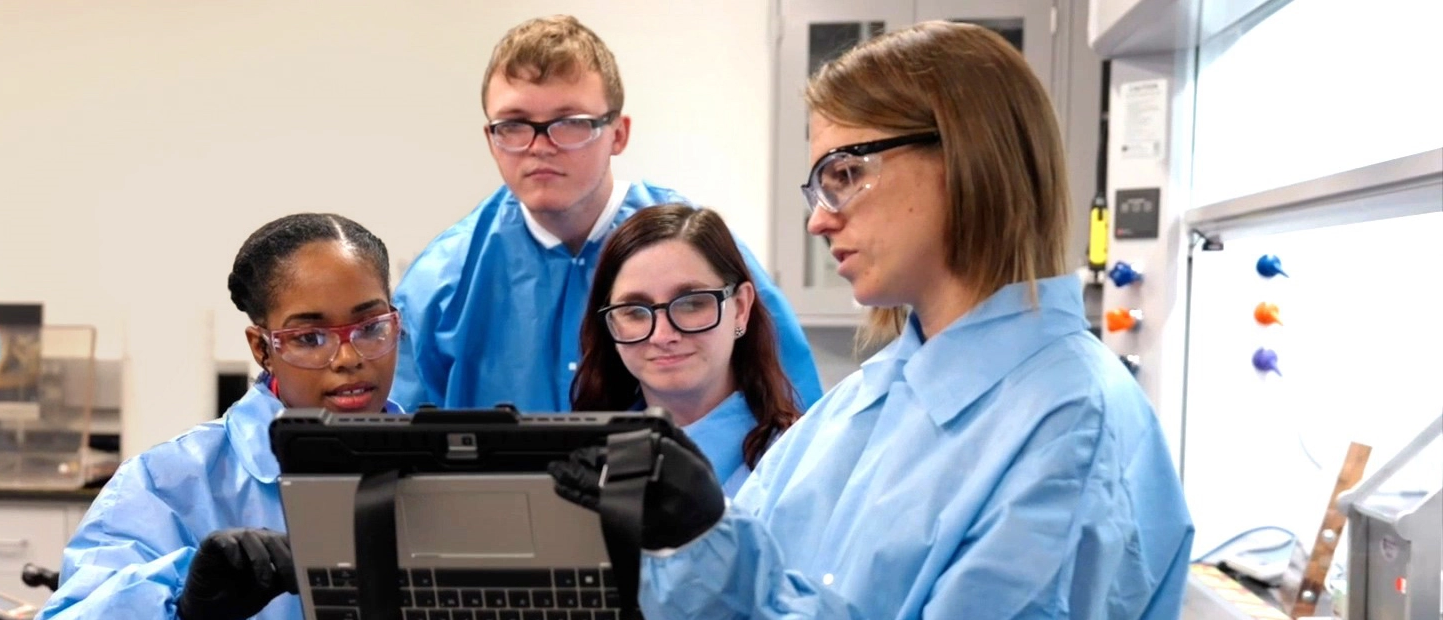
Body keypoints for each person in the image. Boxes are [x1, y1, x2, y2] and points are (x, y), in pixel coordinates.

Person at [548, 22, 1194, 619]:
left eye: (846, 172)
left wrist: (707, 549)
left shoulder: (1070, 425)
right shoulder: (866, 402)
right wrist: (686, 540)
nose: (819, 219)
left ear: (965, 157)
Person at [392, 14, 825, 413]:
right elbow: (395, 441)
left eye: (570, 122)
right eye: (514, 125)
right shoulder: (441, 285)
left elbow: (795, 420)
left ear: (618, 134)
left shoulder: (697, 253)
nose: (540, 146)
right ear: (491, 139)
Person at [40, 214, 405, 620]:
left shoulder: (441, 469)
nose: (349, 358)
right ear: (262, 349)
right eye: (309, 338)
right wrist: (183, 609)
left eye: (370, 328)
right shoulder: (166, 484)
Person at [571, 204, 805, 495]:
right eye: (634, 311)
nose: (662, 335)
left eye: (692, 304)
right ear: (611, 326)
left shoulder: (799, 461)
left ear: (741, 308)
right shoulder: (587, 463)